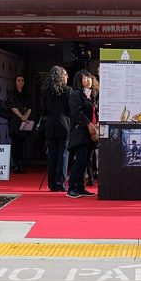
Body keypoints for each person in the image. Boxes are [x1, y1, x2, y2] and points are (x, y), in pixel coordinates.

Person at [66, 70, 98, 198]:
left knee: (86, 161)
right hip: (81, 132)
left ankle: (80, 187)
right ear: (79, 80)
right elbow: (77, 112)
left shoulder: (91, 95)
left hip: (90, 134)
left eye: (89, 78)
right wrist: (89, 124)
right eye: (85, 78)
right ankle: (72, 187)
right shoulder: (76, 94)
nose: (88, 80)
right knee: (80, 161)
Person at [41, 66, 71, 192]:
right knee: (63, 155)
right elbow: (70, 110)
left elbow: (43, 111)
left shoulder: (45, 91)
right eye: (65, 74)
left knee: (52, 155)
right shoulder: (68, 90)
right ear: (61, 76)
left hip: (50, 126)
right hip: (64, 125)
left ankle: (52, 183)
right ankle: (60, 183)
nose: (67, 77)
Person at [7, 75, 32, 173]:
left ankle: (21, 164)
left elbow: (30, 106)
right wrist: (21, 116)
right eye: (18, 80)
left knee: (22, 144)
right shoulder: (11, 93)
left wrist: (26, 116)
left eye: (22, 80)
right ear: (15, 82)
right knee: (15, 143)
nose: (20, 82)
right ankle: (16, 164)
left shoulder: (26, 94)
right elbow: (12, 106)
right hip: (14, 121)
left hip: (24, 122)